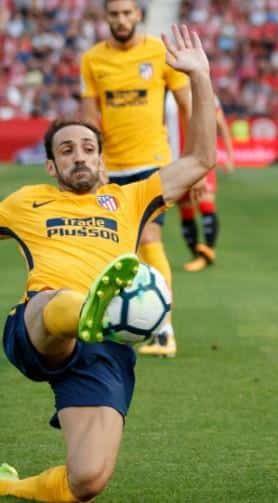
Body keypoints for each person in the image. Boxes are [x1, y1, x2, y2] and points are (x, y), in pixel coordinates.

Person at [0, 25, 216, 502]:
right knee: (57, 303)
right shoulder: (25, 202)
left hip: (102, 349)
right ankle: (92, 311)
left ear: (102, 161)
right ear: (52, 167)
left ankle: (8, 484)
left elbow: (202, 158)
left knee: (87, 480)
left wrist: (200, 77)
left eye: (88, 149)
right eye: (66, 150)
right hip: (39, 328)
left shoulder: (131, 198)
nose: (79, 156)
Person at [80, 0, 192, 357]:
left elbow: (188, 105)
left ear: (138, 15)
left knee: (149, 237)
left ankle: (164, 331)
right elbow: (89, 117)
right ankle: (113, 322)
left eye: (127, 13)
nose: (121, 19)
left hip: (152, 163)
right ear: (106, 18)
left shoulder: (159, 53)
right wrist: (93, 162)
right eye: (115, 14)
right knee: (113, 246)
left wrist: (194, 162)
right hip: (110, 169)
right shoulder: (92, 59)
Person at [179, 95, 235, 272]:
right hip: (178, 159)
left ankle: (209, 250)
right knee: (186, 208)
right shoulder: (169, 93)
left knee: (205, 202)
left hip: (202, 158)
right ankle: (197, 254)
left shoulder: (206, 94)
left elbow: (221, 125)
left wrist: (230, 156)